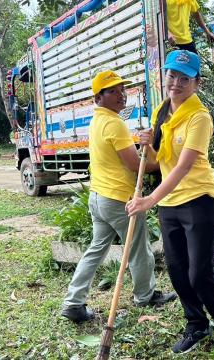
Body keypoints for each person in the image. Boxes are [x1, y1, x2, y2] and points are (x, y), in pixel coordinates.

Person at [126, 50, 214, 354]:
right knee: (177, 269)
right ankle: (196, 324)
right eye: (171, 75)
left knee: (199, 271)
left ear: (196, 83)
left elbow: (183, 166)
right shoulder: (162, 111)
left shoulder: (200, 118)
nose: (175, 83)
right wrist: (146, 145)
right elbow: (156, 161)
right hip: (170, 204)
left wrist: (149, 199)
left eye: (184, 79)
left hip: (199, 200)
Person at [61, 70, 176, 323]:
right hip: (119, 200)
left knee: (96, 249)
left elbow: (120, 158)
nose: (120, 95)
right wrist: (166, 163)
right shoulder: (114, 123)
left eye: (122, 89)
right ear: (98, 97)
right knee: (138, 248)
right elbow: (137, 165)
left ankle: (73, 301)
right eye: (112, 91)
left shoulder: (97, 120)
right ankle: (145, 295)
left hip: (98, 197)